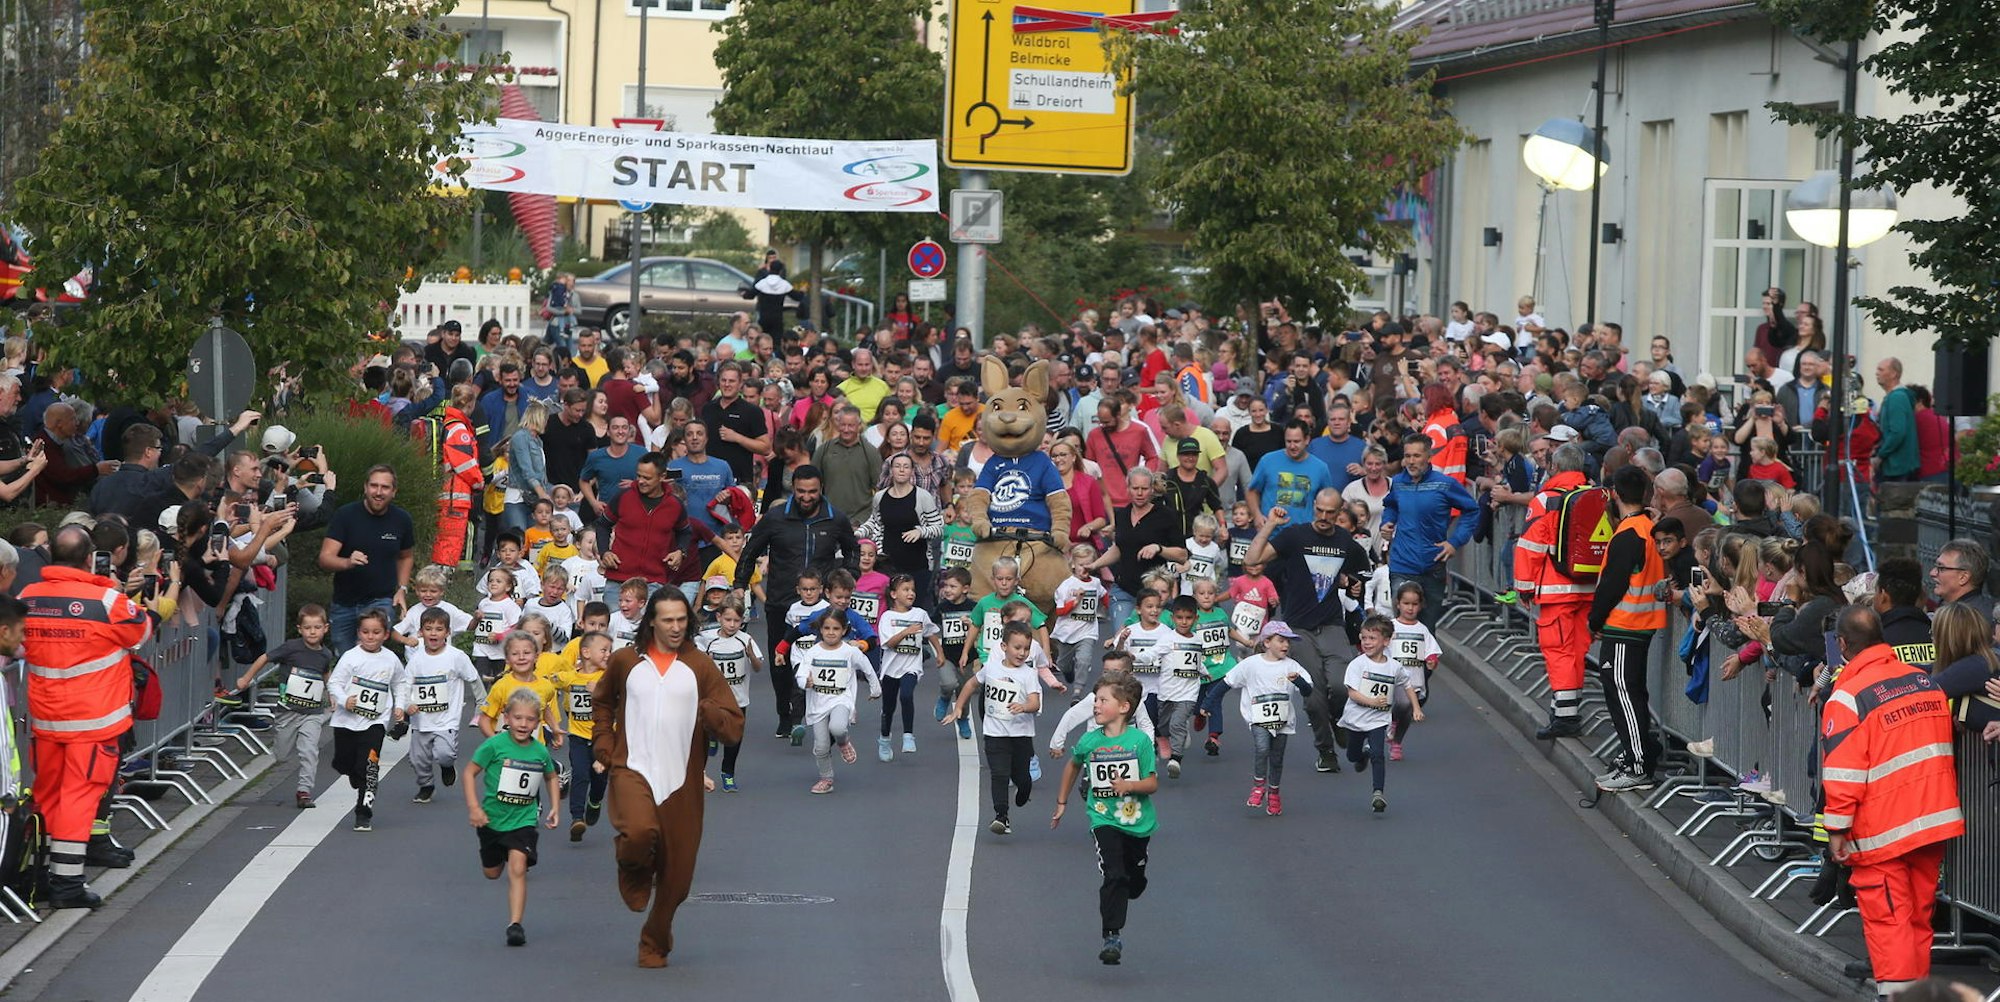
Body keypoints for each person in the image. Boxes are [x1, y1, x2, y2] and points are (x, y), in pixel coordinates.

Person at [592, 588, 743, 967]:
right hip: (632, 767)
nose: (675, 627)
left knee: (678, 876)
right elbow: (603, 700)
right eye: (668, 620)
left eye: (681, 620)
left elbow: (733, 728)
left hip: (682, 780)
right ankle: (634, 866)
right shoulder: (626, 661)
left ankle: (654, 941)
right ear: (652, 621)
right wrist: (604, 745)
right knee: (638, 833)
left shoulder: (700, 666)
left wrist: (711, 715)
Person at [1821, 606, 1964, 997]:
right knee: (1918, 918)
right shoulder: (1923, 681)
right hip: (1933, 819)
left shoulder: (1848, 696)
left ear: (1843, 644)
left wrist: (1836, 828)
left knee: (1889, 920)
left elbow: (1844, 773)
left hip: (1883, 827)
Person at [21, 525, 154, 907]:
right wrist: (112, 588)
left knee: (47, 795)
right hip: (94, 720)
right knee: (79, 798)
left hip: (46, 720)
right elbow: (141, 630)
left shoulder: (29, 597)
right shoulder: (107, 601)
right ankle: (68, 885)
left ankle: (39, 876)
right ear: (87, 558)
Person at [1243, 488, 1372, 774]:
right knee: (1312, 694)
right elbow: (1252, 560)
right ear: (1314, 507)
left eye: (1331, 512)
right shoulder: (1295, 535)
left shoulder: (1344, 541)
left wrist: (1352, 582)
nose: (1324, 517)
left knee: (1340, 685)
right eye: (1320, 510)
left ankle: (1338, 722)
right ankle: (1325, 750)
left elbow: (1361, 572)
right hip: (1298, 627)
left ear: (1339, 513)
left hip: (1332, 625)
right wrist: (1271, 524)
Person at [734, 466, 861, 737]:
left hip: (821, 608)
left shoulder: (835, 518)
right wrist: (739, 585)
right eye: (801, 491)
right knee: (781, 660)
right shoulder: (775, 517)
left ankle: (816, 713)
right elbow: (750, 550)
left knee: (821, 660)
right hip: (781, 600)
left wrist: (848, 576)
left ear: (821, 489)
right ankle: (785, 713)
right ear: (793, 489)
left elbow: (852, 549)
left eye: (812, 492)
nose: (806, 497)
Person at [1050, 672, 1159, 967]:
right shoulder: (1089, 741)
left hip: (1137, 822)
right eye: (1095, 700)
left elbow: (1152, 783)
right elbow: (1073, 767)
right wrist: (1062, 802)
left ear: (1124, 707)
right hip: (1103, 818)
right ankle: (1111, 936)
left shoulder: (1139, 742)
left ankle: (1137, 875)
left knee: (1133, 880)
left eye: (1102, 701)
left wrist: (1130, 786)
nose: (1096, 706)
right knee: (1114, 874)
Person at [1587, 466, 1668, 792]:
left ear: (1615, 493)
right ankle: (1637, 756)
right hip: (1642, 621)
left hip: (1625, 623)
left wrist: (1595, 619)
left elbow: (1613, 583)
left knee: (1624, 693)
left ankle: (1637, 764)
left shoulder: (1628, 533)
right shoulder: (1649, 528)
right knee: (1631, 692)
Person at [464, 688, 563, 947]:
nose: (523, 724)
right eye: (518, 718)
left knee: (518, 868)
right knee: (493, 873)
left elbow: (551, 776)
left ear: (538, 722)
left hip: (524, 820)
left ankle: (515, 924)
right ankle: (499, 855)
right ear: (506, 718)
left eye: (530, 719)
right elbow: (468, 773)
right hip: (492, 820)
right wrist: (474, 807)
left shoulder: (539, 751)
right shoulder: (494, 745)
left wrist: (554, 807)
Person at [237, 604, 335, 809]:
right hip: (288, 711)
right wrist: (247, 677)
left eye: (317, 627)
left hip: (312, 712)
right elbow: (265, 658)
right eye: (308, 628)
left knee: (309, 752)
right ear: (300, 629)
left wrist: (331, 694)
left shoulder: (325, 654)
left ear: (325, 628)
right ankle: (282, 747)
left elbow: (325, 674)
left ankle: (304, 792)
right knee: (281, 754)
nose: (313, 632)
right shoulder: (291, 647)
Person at [1380, 435, 1480, 631]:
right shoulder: (1399, 482)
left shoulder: (1444, 484)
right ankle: (1399, 662)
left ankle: (1426, 661)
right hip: (1402, 564)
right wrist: (1387, 522)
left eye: (1416, 456)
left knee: (1426, 627)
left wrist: (1454, 542)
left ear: (1428, 456)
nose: (1411, 461)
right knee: (1401, 625)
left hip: (1432, 565)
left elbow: (1472, 510)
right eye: (1407, 456)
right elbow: (1390, 505)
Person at [318, 465, 416, 653]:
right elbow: (325, 559)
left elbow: (406, 556)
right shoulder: (345, 515)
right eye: (374, 486)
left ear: (394, 492)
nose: (378, 492)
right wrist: (347, 562)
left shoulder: (402, 519)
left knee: (371, 657)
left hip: (380, 601)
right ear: (365, 487)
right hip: (344, 603)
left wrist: (402, 588)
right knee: (345, 660)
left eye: (385, 487)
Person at [327, 609, 409, 832]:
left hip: (375, 721)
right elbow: (334, 683)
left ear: (385, 634)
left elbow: (400, 683)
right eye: (365, 632)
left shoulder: (391, 659)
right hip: (346, 721)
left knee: (369, 766)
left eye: (376, 632)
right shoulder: (351, 657)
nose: (370, 637)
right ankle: (354, 772)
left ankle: (363, 813)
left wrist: (399, 707)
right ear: (358, 633)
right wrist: (345, 700)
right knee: (343, 763)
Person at [1221, 621, 1313, 816]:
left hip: (1283, 720)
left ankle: (1274, 793)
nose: (1285, 645)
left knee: (1277, 758)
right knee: (1262, 748)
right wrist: (1207, 704)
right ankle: (1258, 786)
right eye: (1281, 641)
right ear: (1267, 642)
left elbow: (1307, 690)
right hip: (1258, 718)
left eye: (1288, 641)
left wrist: (1298, 680)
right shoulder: (1251, 664)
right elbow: (1227, 682)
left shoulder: (1292, 666)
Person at [404, 606, 487, 806]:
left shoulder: (456, 656)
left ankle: (447, 766)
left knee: (444, 753)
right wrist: (407, 704)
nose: (433, 633)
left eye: (439, 629)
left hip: (447, 718)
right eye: (429, 628)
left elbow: (473, 679)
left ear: (447, 633)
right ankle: (426, 785)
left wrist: (482, 704)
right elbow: (405, 686)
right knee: (418, 760)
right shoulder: (415, 660)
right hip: (421, 719)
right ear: (421, 633)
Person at [795, 606, 881, 794]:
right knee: (821, 746)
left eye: (835, 629)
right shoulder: (814, 651)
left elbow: (867, 667)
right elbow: (801, 673)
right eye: (827, 628)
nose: (831, 633)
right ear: (820, 630)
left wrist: (875, 688)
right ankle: (826, 778)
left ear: (844, 630)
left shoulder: (849, 651)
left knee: (838, 727)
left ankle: (843, 742)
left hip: (841, 698)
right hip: (818, 703)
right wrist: (805, 682)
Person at [1342, 615, 1423, 813]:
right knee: (1352, 756)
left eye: (1372, 638)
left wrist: (1416, 708)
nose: (1367, 643)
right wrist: (1370, 701)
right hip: (1356, 719)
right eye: (1364, 638)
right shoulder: (1358, 664)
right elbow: (1352, 692)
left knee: (1379, 754)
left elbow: (1407, 684)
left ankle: (1378, 793)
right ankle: (1362, 756)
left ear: (1386, 641)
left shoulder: (1394, 667)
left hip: (1378, 719)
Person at [694, 599, 762, 791]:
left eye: (737, 621)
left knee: (734, 737)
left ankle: (728, 772)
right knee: (708, 725)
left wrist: (751, 656)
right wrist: (705, 662)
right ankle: (713, 737)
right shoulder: (706, 639)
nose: (732, 625)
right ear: (719, 617)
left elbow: (758, 668)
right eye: (728, 619)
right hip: (713, 696)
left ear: (742, 621)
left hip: (738, 698)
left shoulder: (745, 639)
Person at [874, 574, 938, 760]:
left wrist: (940, 653)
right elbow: (889, 643)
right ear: (894, 594)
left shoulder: (919, 614)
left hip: (911, 666)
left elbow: (931, 632)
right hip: (891, 669)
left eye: (912, 590)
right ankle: (884, 739)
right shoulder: (887, 617)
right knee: (888, 707)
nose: (911, 593)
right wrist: (906, 631)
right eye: (906, 590)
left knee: (907, 695)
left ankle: (908, 735)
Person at [1929, 538, 1994, 622]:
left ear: (1963, 577)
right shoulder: (1947, 607)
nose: (1932, 573)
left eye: (1941, 568)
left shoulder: (1975, 620)